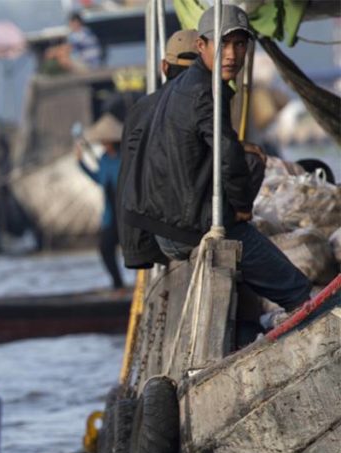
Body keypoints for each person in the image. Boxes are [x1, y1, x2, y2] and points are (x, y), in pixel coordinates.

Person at [119, 5, 310, 314]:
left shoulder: (180, 87)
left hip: (165, 229)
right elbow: (228, 157)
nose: (232, 54)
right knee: (299, 290)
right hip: (187, 231)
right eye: (223, 44)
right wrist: (243, 207)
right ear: (202, 46)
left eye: (239, 44)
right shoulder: (207, 92)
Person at [116, 29, 198, 269]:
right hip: (167, 238)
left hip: (137, 240)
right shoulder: (194, 104)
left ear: (164, 67)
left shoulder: (141, 108)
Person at [76, 113, 125, 289]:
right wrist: (81, 163)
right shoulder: (104, 159)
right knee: (105, 249)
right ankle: (117, 283)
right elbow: (99, 179)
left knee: (134, 252)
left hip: (126, 214)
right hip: (110, 217)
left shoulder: (124, 158)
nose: (103, 144)